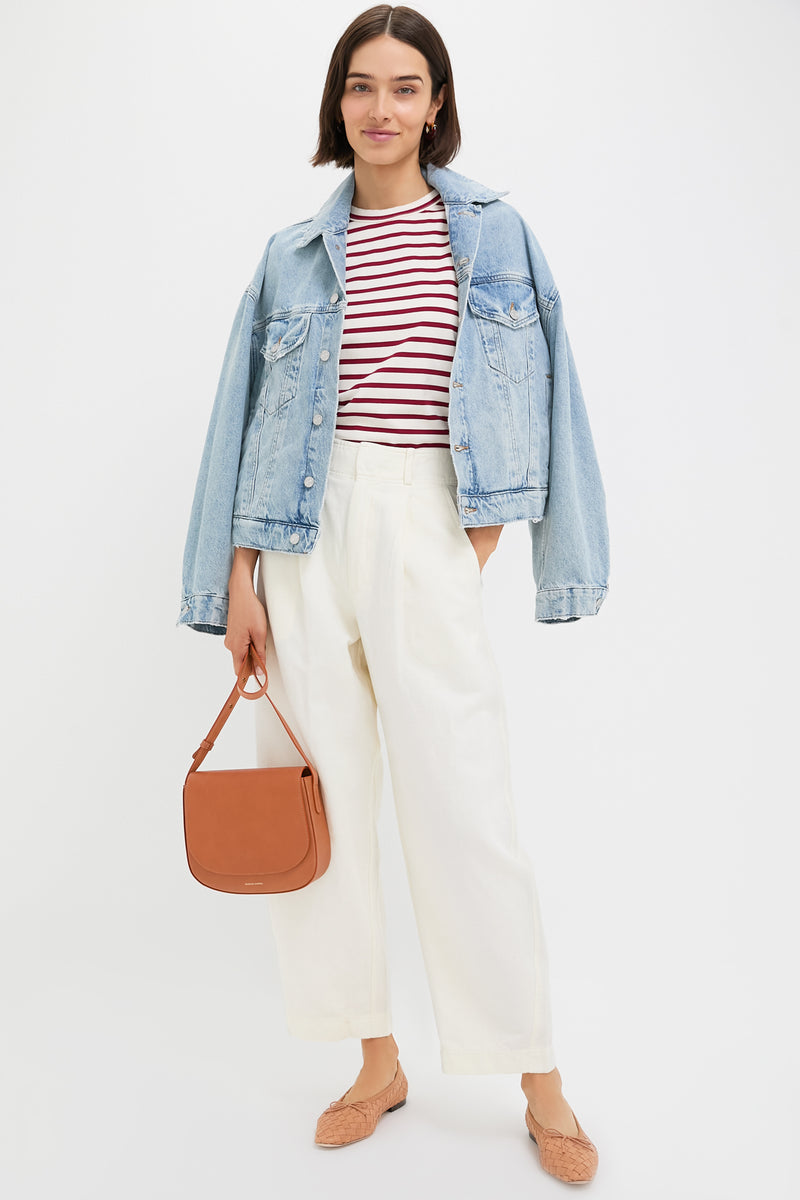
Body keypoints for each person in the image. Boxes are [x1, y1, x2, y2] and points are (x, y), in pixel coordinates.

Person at [178, 3, 609, 1183]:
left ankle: (536, 1073)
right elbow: (242, 423)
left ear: (435, 104)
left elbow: (550, 393)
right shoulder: (290, 255)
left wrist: (486, 537)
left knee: (464, 808)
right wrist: (237, 581)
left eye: (403, 87)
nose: (380, 108)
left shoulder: (494, 235)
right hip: (298, 534)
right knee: (326, 809)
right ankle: (374, 1060)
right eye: (360, 87)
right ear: (337, 105)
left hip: (426, 518)